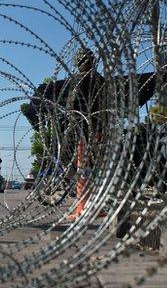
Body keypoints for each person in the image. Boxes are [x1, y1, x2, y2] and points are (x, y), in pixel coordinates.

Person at [65, 47, 106, 220]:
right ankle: (97, 206)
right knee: (96, 169)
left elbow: (71, 103)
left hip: (83, 129)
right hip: (98, 128)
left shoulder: (78, 79)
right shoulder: (100, 80)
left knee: (83, 169)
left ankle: (81, 209)